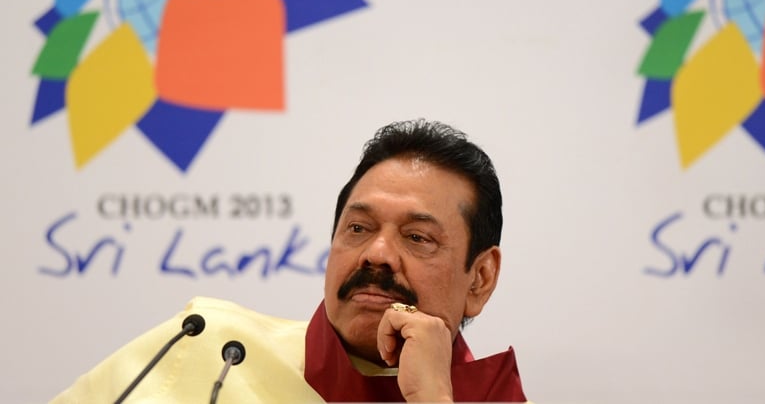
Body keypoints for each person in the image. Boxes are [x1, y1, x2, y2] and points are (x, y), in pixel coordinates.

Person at [51, 119, 527, 403]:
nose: (377, 254)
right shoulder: (212, 349)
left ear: (480, 279)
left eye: (417, 237)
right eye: (358, 229)